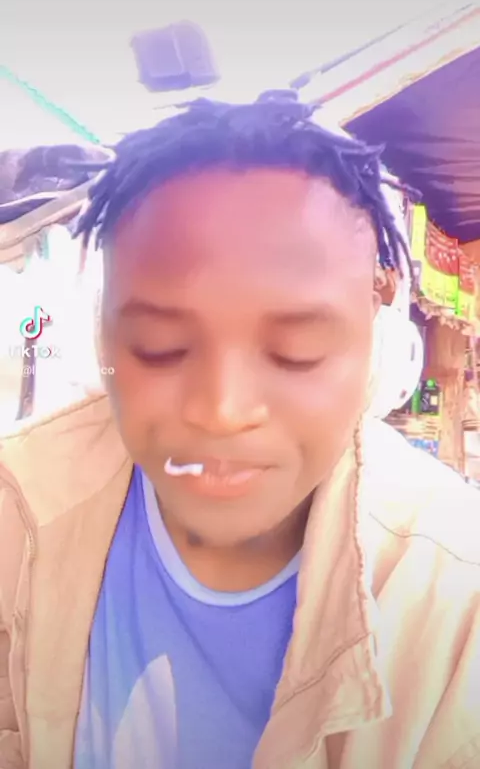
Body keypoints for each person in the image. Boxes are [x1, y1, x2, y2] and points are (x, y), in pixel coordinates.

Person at [1, 91, 480, 769]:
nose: (222, 411)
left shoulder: (458, 609)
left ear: (376, 318)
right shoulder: (17, 508)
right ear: (102, 329)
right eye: (160, 347)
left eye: (296, 351)